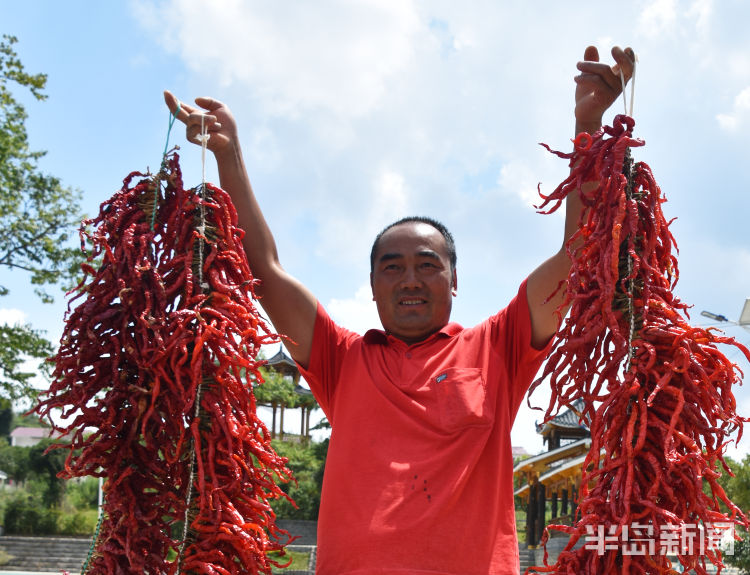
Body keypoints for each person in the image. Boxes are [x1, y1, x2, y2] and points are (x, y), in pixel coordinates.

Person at [165, 45, 635, 575]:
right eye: (392, 267)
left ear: (455, 280)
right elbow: (264, 272)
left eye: (427, 264)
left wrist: (588, 124)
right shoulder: (341, 359)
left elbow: (581, 256)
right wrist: (230, 157)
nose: (410, 279)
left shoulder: (498, 347)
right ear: (371, 286)